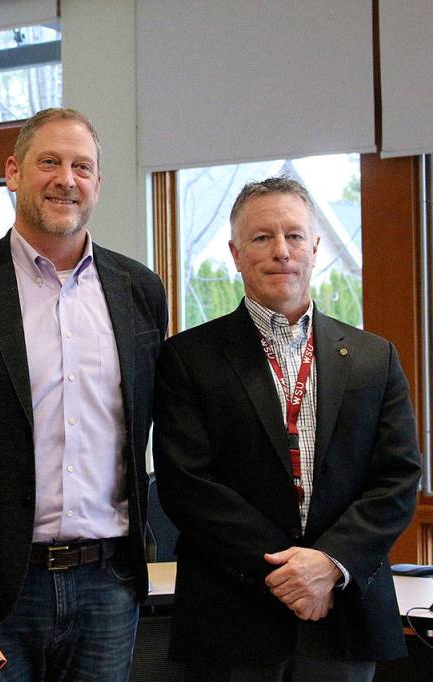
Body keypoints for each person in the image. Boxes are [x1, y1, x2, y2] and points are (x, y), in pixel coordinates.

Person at [0, 108, 168, 681]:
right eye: (48, 162)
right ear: (13, 173)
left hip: (109, 583)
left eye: (82, 166)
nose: (65, 179)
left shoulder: (139, 291)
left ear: (98, 183)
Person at [153, 176, 421, 681]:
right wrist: (289, 572)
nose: (281, 251)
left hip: (343, 611)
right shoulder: (188, 359)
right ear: (235, 253)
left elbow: (398, 478)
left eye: (294, 236)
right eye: (262, 238)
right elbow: (188, 486)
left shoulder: (372, 358)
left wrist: (330, 563)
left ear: (315, 247)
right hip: (233, 613)